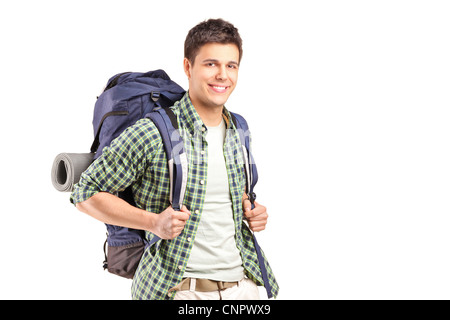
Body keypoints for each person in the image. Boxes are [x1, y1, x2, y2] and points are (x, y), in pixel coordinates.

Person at [70, 18, 279, 300]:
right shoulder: (153, 132)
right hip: (179, 292)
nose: (223, 75)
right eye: (211, 64)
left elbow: (223, 197)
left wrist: (250, 210)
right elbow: (85, 193)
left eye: (231, 65)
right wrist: (152, 222)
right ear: (188, 67)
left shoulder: (239, 128)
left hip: (242, 288)